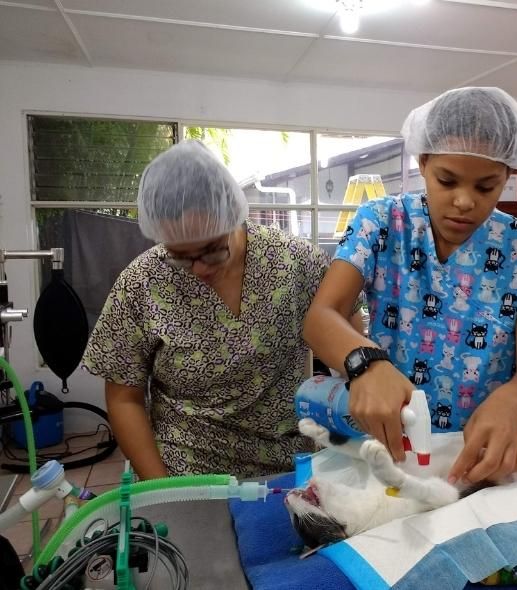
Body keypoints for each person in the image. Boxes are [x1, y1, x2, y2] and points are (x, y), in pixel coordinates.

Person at [303, 87, 517, 484]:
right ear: (423, 162)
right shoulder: (382, 222)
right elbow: (322, 316)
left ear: (509, 173)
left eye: (485, 187)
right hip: (389, 446)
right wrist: (365, 363)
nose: (463, 201)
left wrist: (513, 401)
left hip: (481, 452)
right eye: (447, 180)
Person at [82, 140, 337, 479]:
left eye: (212, 250)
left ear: (234, 217)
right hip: (188, 468)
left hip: (289, 464)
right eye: (181, 256)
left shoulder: (295, 263)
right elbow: (124, 397)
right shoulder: (142, 283)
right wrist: (165, 491)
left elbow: (343, 326)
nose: (199, 269)